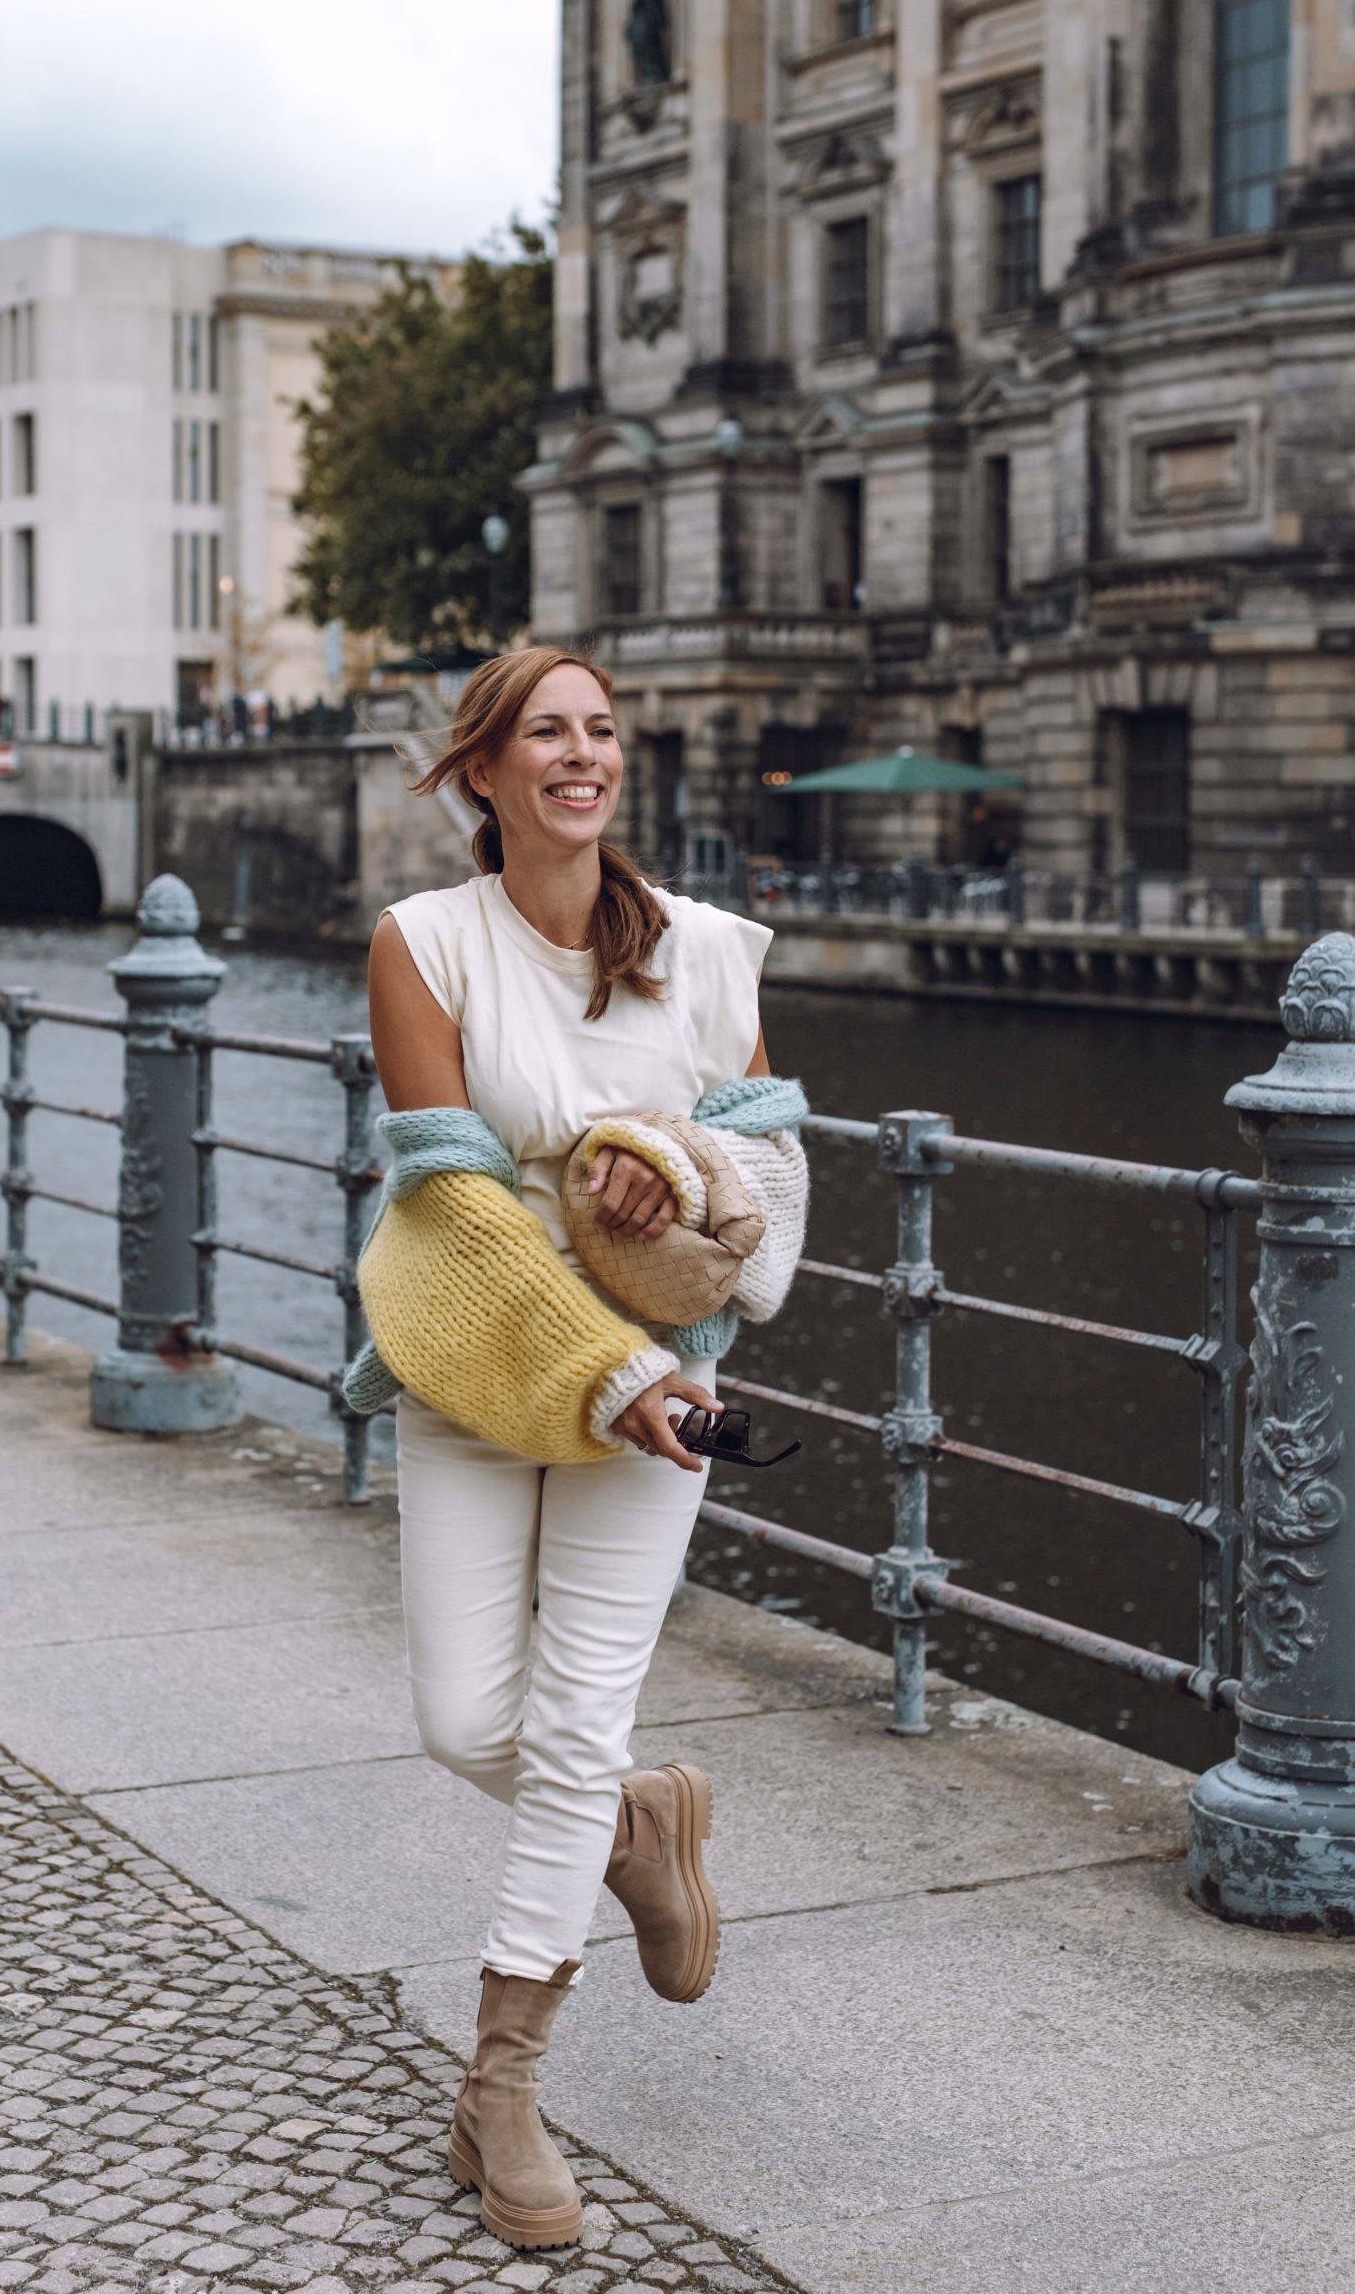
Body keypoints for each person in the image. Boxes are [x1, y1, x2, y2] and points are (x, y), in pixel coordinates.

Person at [363, 645, 801, 2252]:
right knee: (461, 1715)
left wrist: (670, 1168)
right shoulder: (423, 944)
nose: (580, 755)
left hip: (660, 1409)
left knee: (562, 1728)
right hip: (481, 1369)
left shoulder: (703, 953)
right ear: (479, 771)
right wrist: (602, 1362)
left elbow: (772, 1190)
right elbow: (450, 1199)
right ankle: (642, 1823)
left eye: (600, 732)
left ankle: (502, 2088)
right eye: (544, 733)